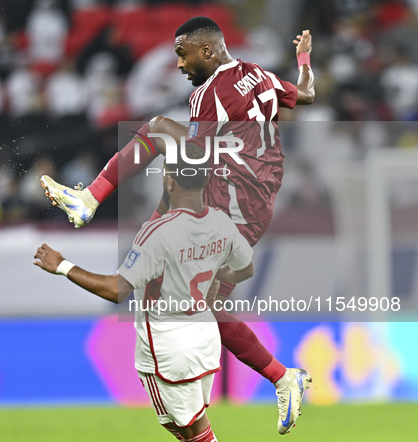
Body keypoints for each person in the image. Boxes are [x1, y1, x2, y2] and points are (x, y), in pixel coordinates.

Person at [40, 17, 314, 434]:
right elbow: (308, 94)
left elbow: (192, 167)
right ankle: (282, 377)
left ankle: (88, 199)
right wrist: (304, 59)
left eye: (182, 55)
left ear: (207, 51)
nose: (180, 65)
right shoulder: (257, 75)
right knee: (207, 304)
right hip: (255, 202)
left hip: (229, 200)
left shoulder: (210, 96)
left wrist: (160, 217)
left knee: (155, 131)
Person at [34, 145, 266, 441]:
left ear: (169, 180)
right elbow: (245, 270)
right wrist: (214, 278)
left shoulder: (157, 233)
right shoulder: (221, 223)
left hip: (168, 348)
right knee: (192, 431)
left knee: (190, 431)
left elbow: (117, 290)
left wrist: (63, 266)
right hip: (205, 342)